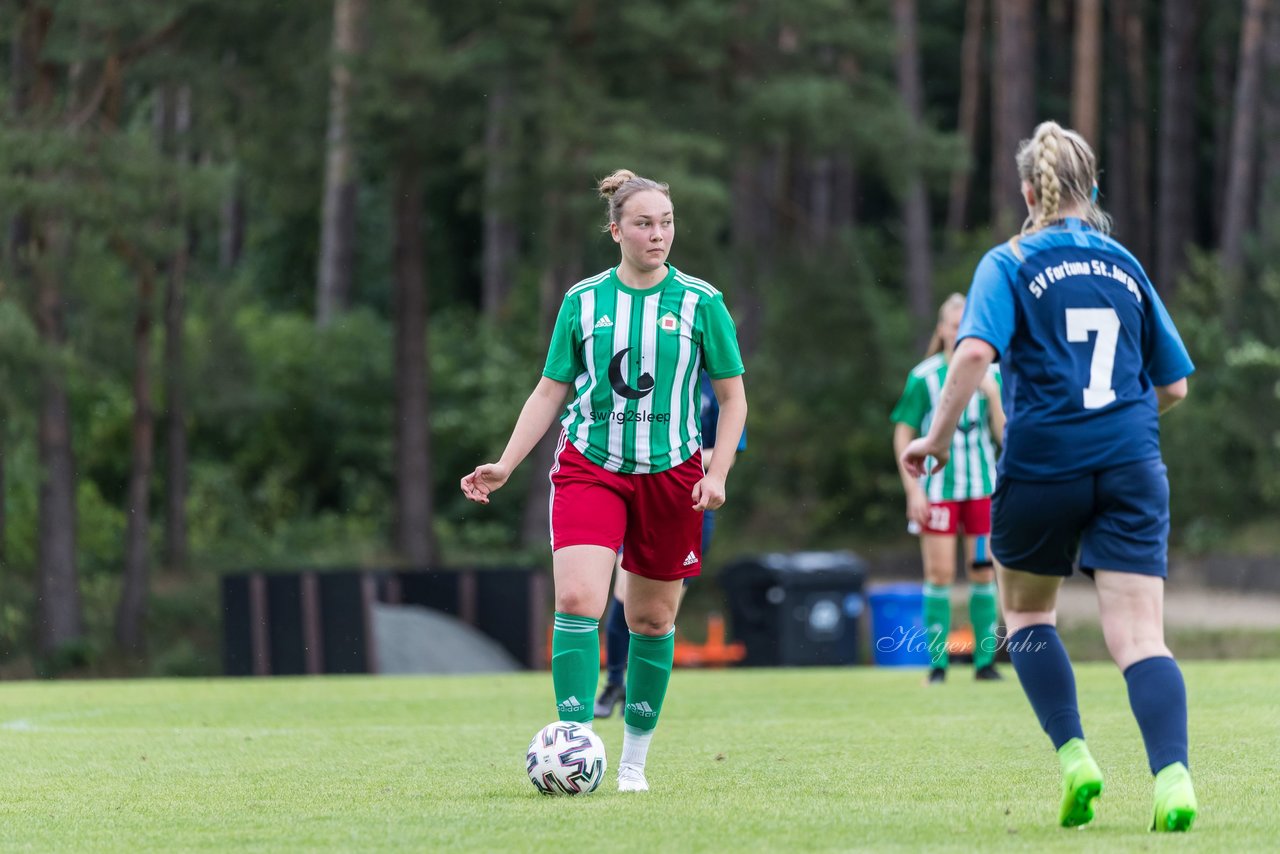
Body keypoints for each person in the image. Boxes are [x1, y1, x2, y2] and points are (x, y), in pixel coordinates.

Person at [901, 121, 1197, 832]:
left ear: (1029, 190)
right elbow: (1175, 386)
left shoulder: (1009, 261)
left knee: (1029, 616)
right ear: (1092, 189)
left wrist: (934, 441)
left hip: (1043, 463)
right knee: (1140, 637)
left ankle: (1076, 760)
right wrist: (1123, 419)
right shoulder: (1126, 264)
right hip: (1131, 461)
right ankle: (1174, 778)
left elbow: (972, 355)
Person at [461, 169, 747, 793]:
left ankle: (633, 765)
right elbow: (549, 389)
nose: (658, 234)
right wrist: (506, 463)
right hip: (591, 466)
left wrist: (717, 470)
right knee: (578, 602)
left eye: (666, 222)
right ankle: (573, 745)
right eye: (644, 223)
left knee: (649, 621)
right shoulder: (583, 301)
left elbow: (732, 400)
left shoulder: (702, 302)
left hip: (673, 476)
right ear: (615, 230)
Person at [595, 372, 747, 718]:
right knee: (623, 590)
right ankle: (614, 681)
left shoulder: (720, 385)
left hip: (689, 501)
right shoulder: (662, 371)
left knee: (662, 613)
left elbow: (729, 454)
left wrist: (676, 455)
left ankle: (640, 694)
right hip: (642, 493)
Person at [891, 293, 1005, 685]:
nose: (959, 333)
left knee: (981, 573)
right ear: (942, 329)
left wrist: (993, 397)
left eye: (966, 326)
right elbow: (903, 432)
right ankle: (938, 666)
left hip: (981, 492)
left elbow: (1005, 436)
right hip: (937, 491)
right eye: (954, 326)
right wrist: (913, 491)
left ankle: (984, 663)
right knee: (939, 575)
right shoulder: (925, 377)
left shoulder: (993, 375)